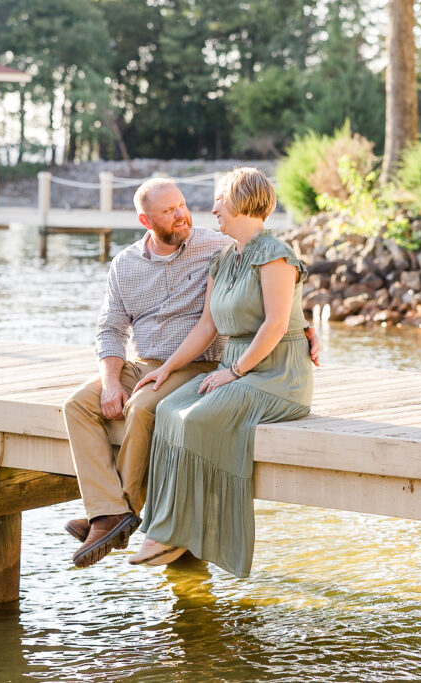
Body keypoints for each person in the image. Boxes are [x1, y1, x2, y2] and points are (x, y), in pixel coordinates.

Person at [62, 177, 318, 569]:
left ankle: (129, 516)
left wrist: (306, 329)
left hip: (210, 365)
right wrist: (117, 380)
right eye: (170, 211)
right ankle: (107, 512)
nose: (186, 214)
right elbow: (113, 329)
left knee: (145, 407)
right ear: (146, 221)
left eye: (183, 205)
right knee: (77, 405)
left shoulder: (218, 244)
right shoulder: (131, 264)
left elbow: (278, 306)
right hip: (149, 361)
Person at [129, 167, 313, 578]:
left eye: (219, 200)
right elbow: (206, 326)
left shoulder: (275, 254)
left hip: (277, 375)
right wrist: (167, 370)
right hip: (237, 366)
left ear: (240, 203)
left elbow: (276, 325)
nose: (212, 209)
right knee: (169, 409)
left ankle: (182, 531)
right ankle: (164, 528)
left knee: (198, 418)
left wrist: (234, 371)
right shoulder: (224, 258)